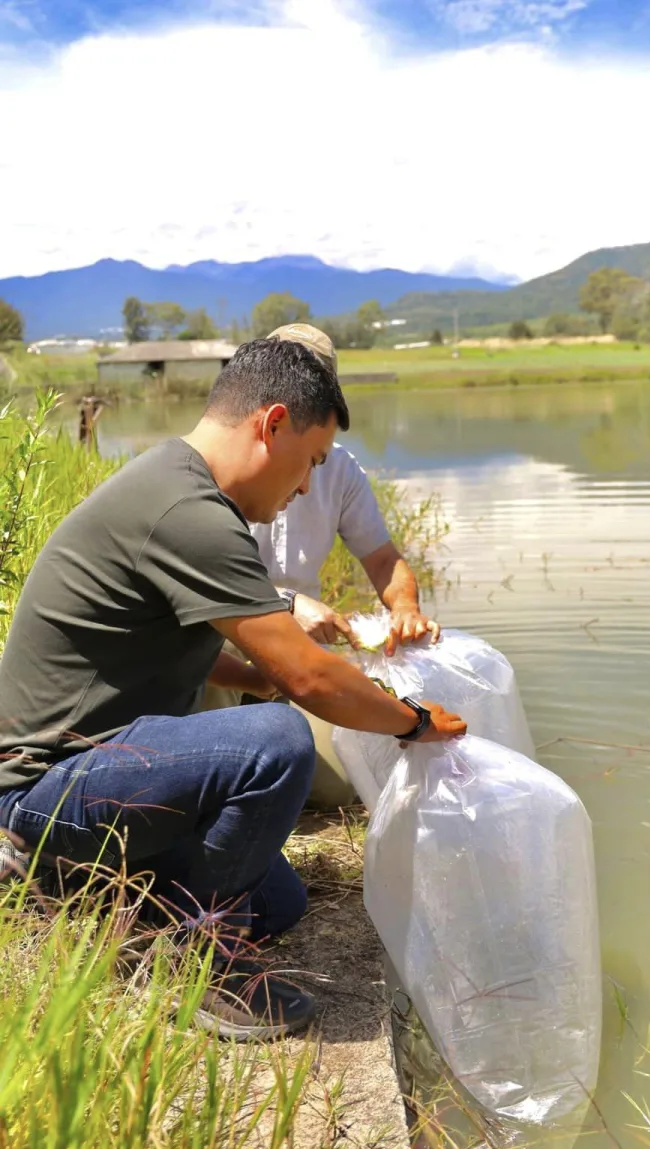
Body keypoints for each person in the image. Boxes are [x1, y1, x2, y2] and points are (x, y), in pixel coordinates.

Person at [0, 338, 466, 1042]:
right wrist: (411, 721)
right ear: (271, 424)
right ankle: (198, 966)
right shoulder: (186, 509)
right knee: (275, 744)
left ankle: (90, 894)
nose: (308, 486)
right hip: (42, 786)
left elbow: (194, 646)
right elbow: (304, 673)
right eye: (309, 461)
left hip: (102, 763)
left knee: (276, 900)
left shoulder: (180, 485)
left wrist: (259, 678)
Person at [206, 323, 441, 811]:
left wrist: (405, 608)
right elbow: (209, 588)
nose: (308, 480)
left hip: (296, 650)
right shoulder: (222, 466)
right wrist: (289, 604)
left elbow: (382, 559)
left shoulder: (340, 469)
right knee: (226, 762)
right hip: (221, 638)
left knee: (334, 787)